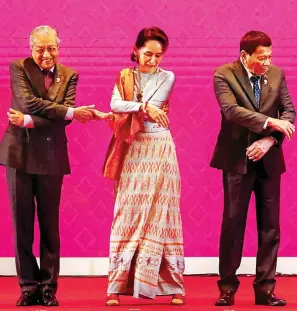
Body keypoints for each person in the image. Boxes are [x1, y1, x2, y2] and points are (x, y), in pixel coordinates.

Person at [0, 25, 96, 307]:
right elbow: (27, 101)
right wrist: (69, 111)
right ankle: (28, 286)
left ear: (58, 49)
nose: (47, 54)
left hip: (52, 155)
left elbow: (61, 119)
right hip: (18, 154)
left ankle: (49, 288)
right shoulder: (19, 68)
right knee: (22, 224)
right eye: (41, 49)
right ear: (31, 48)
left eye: (52, 48)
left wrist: (28, 120)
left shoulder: (70, 75)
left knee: (50, 226)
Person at [211, 30, 296, 307]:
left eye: (270, 56)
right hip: (237, 158)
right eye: (262, 58)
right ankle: (227, 287)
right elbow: (231, 111)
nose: (268, 62)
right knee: (233, 223)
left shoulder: (277, 74)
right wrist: (270, 123)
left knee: (270, 227)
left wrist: (271, 140)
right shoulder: (224, 74)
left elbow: (289, 112)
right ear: (244, 56)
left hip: (269, 159)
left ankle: (265, 289)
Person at [102, 27, 185, 306]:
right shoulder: (124, 77)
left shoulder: (167, 77)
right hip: (133, 148)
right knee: (127, 212)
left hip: (159, 148)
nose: (153, 60)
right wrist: (142, 108)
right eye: (148, 53)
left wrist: (138, 106)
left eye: (158, 55)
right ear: (136, 50)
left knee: (164, 213)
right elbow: (115, 103)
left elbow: (155, 104)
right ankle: (115, 287)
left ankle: (173, 285)